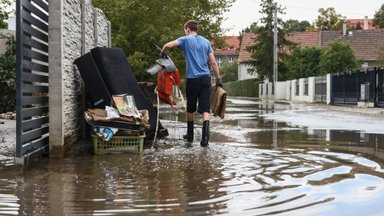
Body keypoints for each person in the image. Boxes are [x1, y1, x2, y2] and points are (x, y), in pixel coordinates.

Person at [161, 20, 222, 147]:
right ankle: (205, 138)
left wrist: (163, 53)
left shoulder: (185, 39)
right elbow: (214, 63)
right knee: (205, 108)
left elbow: (168, 45)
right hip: (206, 78)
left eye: (185, 30)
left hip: (192, 79)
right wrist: (218, 79)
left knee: (191, 108)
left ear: (188, 29)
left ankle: (190, 136)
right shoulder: (206, 42)